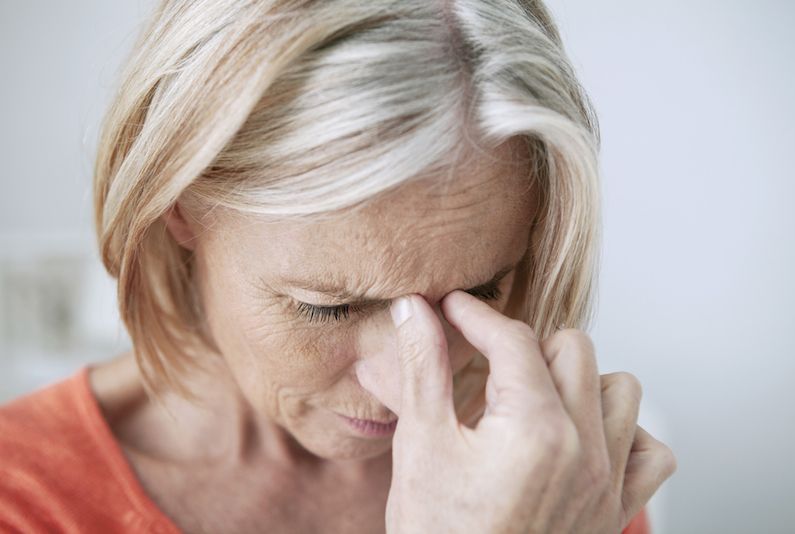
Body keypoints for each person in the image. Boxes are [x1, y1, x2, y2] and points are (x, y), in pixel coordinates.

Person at [0, 0, 676, 532]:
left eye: (479, 291)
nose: (406, 389)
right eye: (329, 306)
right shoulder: (24, 496)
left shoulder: (546, 472)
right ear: (178, 208)